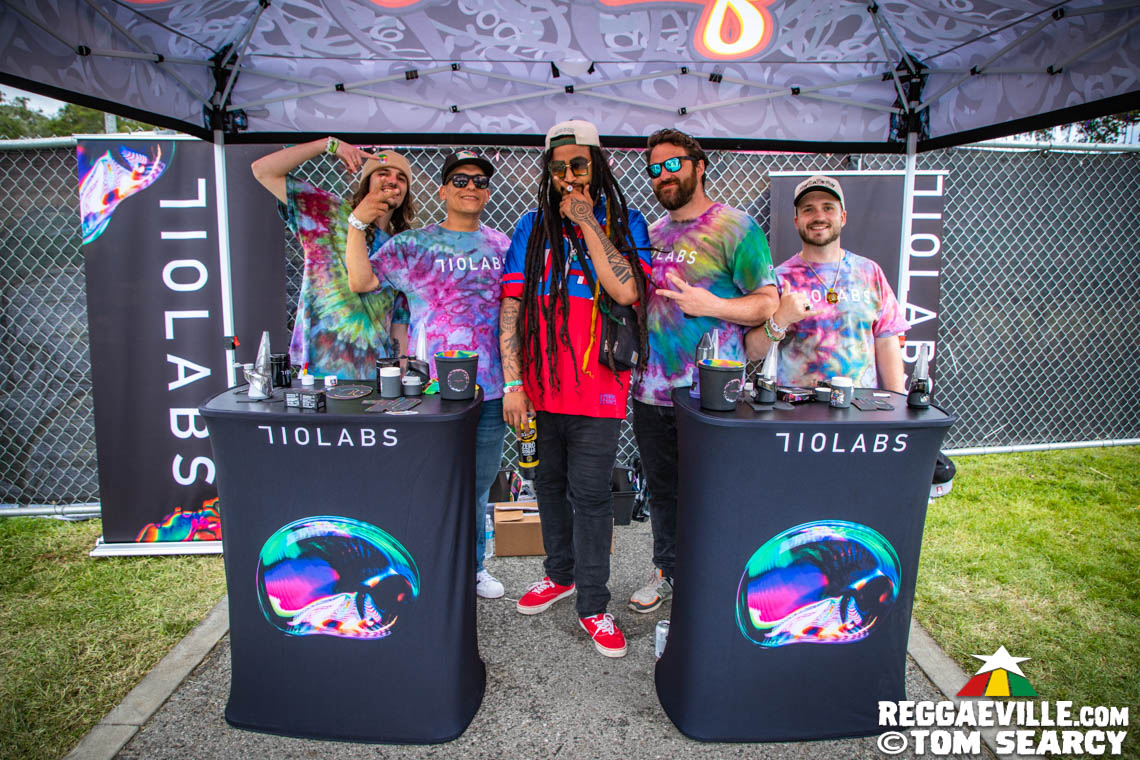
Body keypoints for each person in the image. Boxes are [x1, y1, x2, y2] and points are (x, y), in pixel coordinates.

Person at [500, 120, 652, 658]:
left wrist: (587, 220)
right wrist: (513, 381)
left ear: (598, 165)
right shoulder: (530, 227)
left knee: (589, 496)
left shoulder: (626, 222)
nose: (568, 175)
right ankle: (559, 575)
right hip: (540, 390)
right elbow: (513, 306)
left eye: (579, 164)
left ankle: (592, 604)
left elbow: (627, 291)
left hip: (598, 390)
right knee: (547, 484)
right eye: (558, 166)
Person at [346, 150, 511, 599]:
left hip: (491, 389)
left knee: (478, 485)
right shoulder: (414, 244)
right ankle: (430, 568)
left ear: (487, 192)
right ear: (442, 191)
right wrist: (357, 225)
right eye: (460, 180)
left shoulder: (502, 245)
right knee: (429, 482)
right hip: (431, 390)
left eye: (479, 181)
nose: (471, 187)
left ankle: (473, 567)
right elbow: (361, 281)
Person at [629, 128, 779, 614]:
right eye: (655, 169)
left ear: (699, 166)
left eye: (673, 164)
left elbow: (767, 302)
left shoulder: (736, 227)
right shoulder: (651, 235)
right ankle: (668, 572)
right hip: (651, 392)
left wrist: (710, 304)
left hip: (711, 394)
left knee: (714, 494)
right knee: (664, 492)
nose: (664, 175)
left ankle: (717, 582)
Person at [251, 137, 414, 378]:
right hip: (320, 364)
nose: (392, 180)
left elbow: (399, 321)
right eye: (383, 173)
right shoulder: (329, 212)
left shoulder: (400, 247)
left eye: (401, 178)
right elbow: (263, 171)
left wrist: (402, 373)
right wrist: (328, 145)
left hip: (372, 370)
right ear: (367, 182)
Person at [744, 175, 908, 392]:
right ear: (797, 221)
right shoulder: (780, 280)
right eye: (808, 209)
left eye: (828, 208)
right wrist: (780, 319)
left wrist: (897, 401)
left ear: (843, 217)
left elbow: (887, 340)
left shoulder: (869, 272)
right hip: (797, 405)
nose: (819, 216)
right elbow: (752, 350)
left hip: (859, 405)